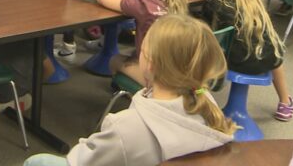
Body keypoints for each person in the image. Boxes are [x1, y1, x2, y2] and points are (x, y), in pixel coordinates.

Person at [23, 14, 235, 166]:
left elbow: (84, 161)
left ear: (150, 64)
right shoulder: (206, 102)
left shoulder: (126, 128)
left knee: (36, 161)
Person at [180, 0, 293, 121]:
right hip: (267, 59)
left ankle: (197, 98)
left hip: (236, 61)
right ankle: (285, 103)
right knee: (273, 48)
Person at [96, 0, 189, 85]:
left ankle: (137, 95)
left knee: (114, 60)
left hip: (158, 79)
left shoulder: (142, 5)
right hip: (179, 70)